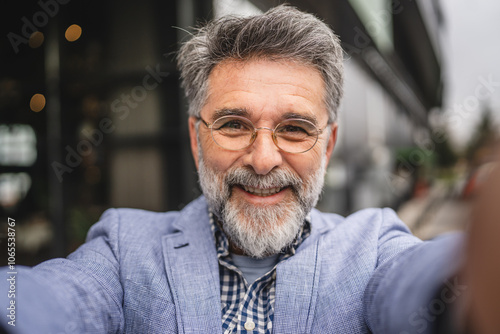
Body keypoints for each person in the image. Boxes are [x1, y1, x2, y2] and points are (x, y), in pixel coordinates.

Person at [0, 5, 479, 334]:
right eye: (233, 125)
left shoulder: (372, 248)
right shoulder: (126, 249)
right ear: (195, 138)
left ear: (328, 145)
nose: (264, 159)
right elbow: (53, 300)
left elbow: (430, 282)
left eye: (294, 129)